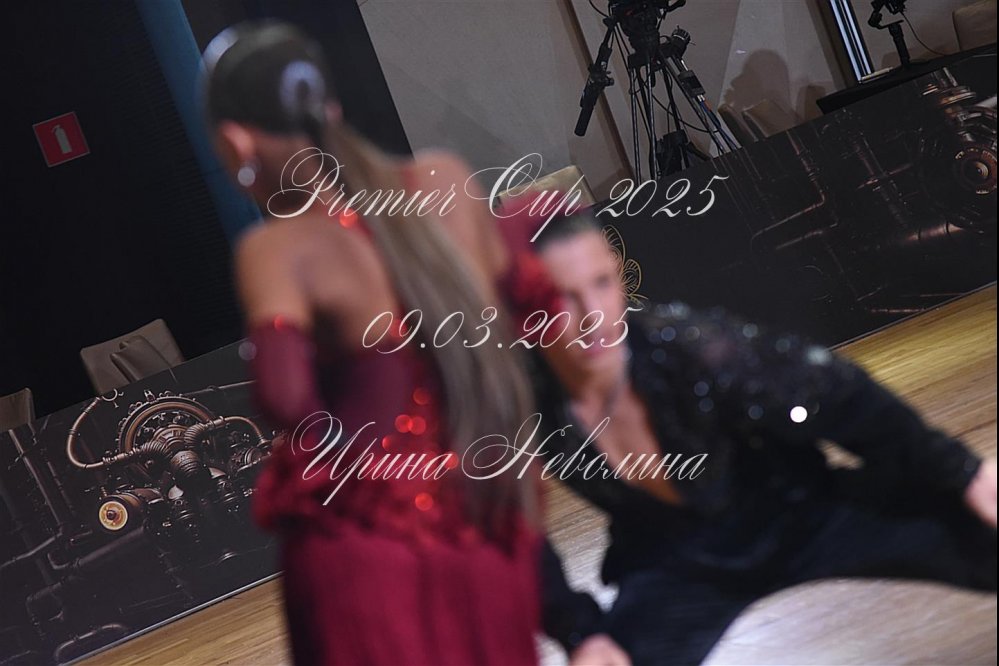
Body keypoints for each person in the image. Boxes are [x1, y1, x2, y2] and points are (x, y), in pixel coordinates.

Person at [202, 21, 564, 665]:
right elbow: (541, 315)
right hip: (487, 529)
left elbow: (286, 400)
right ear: (330, 108)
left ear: (236, 141)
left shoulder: (280, 249)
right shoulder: (445, 184)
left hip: (367, 560)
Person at [530, 210, 998, 666]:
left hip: (803, 513)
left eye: (602, 284)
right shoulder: (520, 405)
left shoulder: (687, 346)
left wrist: (962, 472)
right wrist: (579, 632)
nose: (593, 315)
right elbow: (513, 534)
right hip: (678, 561)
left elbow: (842, 397)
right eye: (563, 297)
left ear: (618, 276)